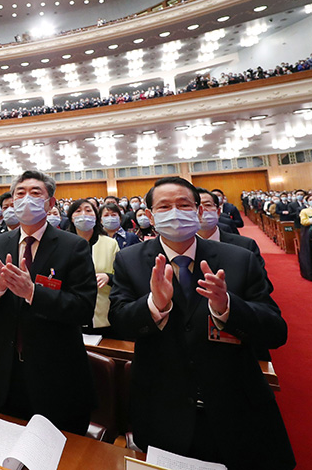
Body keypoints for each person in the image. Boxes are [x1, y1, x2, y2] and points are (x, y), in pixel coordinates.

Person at [109, 177, 294, 469]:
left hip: (235, 407)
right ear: (150, 217)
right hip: (162, 408)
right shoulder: (129, 260)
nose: (174, 212)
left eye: (183, 205)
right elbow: (120, 322)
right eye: (164, 206)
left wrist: (228, 307)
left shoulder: (239, 258)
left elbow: (275, 331)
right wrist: (155, 305)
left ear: (198, 211)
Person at [0, 170, 96, 432]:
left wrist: (32, 293)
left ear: (50, 203)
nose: (26, 199)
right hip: (7, 370)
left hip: (56, 372)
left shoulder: (73, 245)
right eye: (20, 193)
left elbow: (83, 308)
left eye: (35, 193)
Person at [66, 200, 120, 337]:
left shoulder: (110, 244)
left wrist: (108, 277)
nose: (84, 214)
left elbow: (122, 276)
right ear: (71, 218)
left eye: (88, 210)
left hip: (104, 313)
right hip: (71, 312)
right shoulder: (63, 244)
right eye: (78, 211)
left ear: (96, 216)